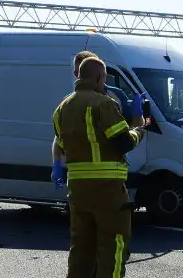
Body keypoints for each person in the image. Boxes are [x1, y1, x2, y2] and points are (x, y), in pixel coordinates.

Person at [53, 54, 148, 278]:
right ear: (99, 78)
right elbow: (122, 143)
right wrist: (140, 129)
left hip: (78, 189)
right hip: (107, 188)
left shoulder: (62, 108)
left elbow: (61, 145)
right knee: (114, 245)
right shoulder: (104, 104)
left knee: (82, 245)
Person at [52, 51, 144, 189]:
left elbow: (130, 128)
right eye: (76, 72)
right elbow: (59, 137)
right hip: (100, 177)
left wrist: (138, 116)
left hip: (110, 172)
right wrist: (56, 162)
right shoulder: (68, 102)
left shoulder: (115, 97)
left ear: (99, 74)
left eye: (81, 71)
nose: (78, 76)